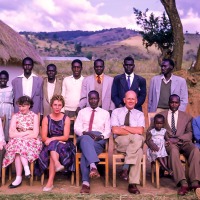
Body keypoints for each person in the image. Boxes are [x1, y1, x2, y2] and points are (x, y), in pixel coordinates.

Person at [146, 94, 200, 196]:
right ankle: (183, 183)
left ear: (179, 103)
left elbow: (190, 133)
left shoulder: (187, 117)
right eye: (172, 102)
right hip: (168, 143)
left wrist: (178, 139)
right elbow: (149, 132)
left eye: (176, 102)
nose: (174, 104)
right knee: (174, 151)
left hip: (183, 142)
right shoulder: (161, 115)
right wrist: (151, 143)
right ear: (168, 103)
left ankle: (195, 182)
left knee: (195, 150)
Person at [34, 94, 75, 192]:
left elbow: (65, 137)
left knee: (54, 146)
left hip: (64, 145)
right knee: (53, 147)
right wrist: (53, 140)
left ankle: (50, 182)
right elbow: (44, 137)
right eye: (55, 105)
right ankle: (56, 164)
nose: (57, 107)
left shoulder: (66, 119)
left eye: (59, 105)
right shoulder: (46, 119)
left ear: (62, 106)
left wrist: (53, 139)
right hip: (49, 145)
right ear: (51, 105)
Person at [74, 90, 111, 194]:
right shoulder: (82, 112)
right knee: (86, 139)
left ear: (98, 100)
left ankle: (86, 183)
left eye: (95, 98)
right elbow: (76, 128)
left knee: (86, 152)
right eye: (91, 98)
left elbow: (108, 131)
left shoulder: (105, 113)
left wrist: (101, 136)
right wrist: (86, 133)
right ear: (88, 99)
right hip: (84, 136)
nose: (93, 101)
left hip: (98, 140)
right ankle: (93, 166)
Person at [2, 96, 42, 189]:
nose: (21, 108)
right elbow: (11, 134)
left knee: (18, 146)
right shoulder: (15, 116)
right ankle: (26, 169)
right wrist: (26, 132)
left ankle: (18, 177)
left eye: (24, 106)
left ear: (29, 105)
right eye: (20, 106)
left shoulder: (35, 116)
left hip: (32, 142)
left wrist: (20, 134)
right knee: (18, 146)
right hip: (17, 141)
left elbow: (35, 134)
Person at [111, 90, 145, 194]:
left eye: (133, 99)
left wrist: (124, 127)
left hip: (133, 142)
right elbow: (115, 130)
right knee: (138, 141)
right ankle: (132, 183)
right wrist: (132, 130)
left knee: (138, 144)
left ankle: (129, 176)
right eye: (129, 98)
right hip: (121, 141)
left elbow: (140, 131)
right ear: (124, 100)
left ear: (136, 101)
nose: (130, 101)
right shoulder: (116, 112)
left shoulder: (140, 114)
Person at [0, 70, 14, 142]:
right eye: (1, 78)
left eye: (5, 78)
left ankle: (7, 144)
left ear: (7, 79)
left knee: (7, 127)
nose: (3, 80)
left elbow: (14, 101)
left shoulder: (11, 89)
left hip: (8, 110)